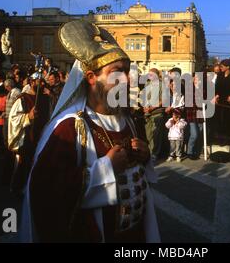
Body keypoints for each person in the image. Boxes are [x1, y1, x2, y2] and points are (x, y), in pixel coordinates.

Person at [20, 21, 159, 243]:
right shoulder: (70, 127)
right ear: (91, 77)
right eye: (116, 72)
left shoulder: (128, 120)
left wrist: (145, 156)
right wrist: (105, 168)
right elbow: (45, 191)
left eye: (126, 71)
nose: (126, 79)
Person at [8, 72, 50, 196]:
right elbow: (13, 118)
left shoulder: (46, 98)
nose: (42, 84)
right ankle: (18, 188)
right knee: (24, 163)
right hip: (27, 136)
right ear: (32, 82)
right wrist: (28, 116)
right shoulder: (23, 99)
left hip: (41, 135)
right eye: (39, 81)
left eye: (43, 82)